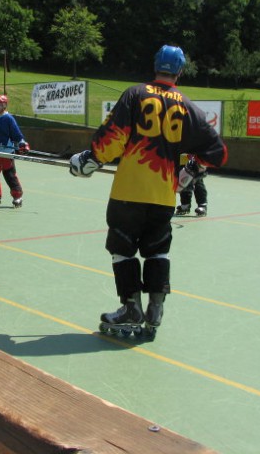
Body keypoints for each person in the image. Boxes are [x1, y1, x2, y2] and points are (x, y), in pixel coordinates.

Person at [69, 45, 228, 341]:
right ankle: (155, 308)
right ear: (180, 72)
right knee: (158, 250)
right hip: (164, 196)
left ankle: (131, 308)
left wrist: (89, 160)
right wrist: (191, 170)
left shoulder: (135, 94)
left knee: (122, 249)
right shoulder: (187, 107)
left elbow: (113, 138)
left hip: (129, 191)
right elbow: (218, 152)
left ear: (155, 65)